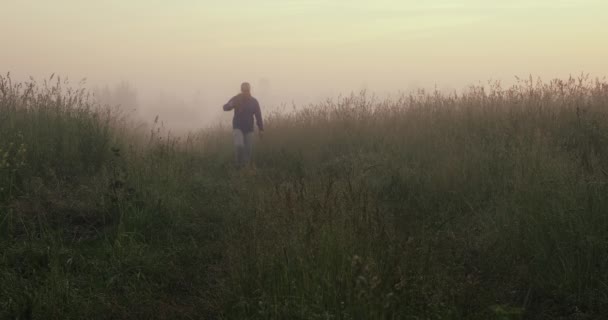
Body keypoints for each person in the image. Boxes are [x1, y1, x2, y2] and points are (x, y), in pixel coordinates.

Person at [223, 82, 264, 168]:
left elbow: (258, 115)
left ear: (249, 90)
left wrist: (261, 129)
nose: (245, 92)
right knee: (239, 145)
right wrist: (230, 105)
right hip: (237, 127)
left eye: (247, 90)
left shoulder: (254, 101)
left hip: (249, 129)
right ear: (241, 90)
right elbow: (225, 107)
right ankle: (238, 164)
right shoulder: (236, 99)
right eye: (243, 90)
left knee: (248, 151)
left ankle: (245, 169)